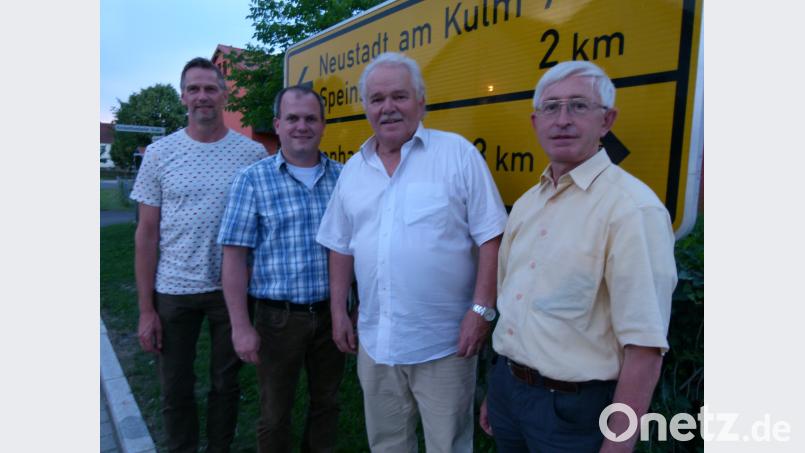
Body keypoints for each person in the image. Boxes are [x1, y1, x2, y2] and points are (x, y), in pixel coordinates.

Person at [479, 60, 678, 452]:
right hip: (508, 393)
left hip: (574, 413)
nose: (563, 120)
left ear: (607, 121)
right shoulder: (527, 203)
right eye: (551, 107)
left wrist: (618, 444)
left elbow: (645, 348)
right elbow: (515, 310)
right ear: (535, 122)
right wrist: (500, 392)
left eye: (579, 106)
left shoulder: (632, 210)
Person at [316, 52, 508, 452]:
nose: (388, 107)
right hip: (376, 341)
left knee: (448, 445)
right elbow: (340, 246)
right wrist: (338, 310)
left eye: (399, 96)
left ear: (421, 102)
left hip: (445, 343)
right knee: (387, 444)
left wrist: (481, 311)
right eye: (377, 98)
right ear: (366, 107)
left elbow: (491, 237)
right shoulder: (353, 171)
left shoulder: (457, 155)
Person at [130, 57, 267, 453]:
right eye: (194, 89)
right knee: (175, 387)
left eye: (210, 88)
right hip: (173, 290)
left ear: (224, 95)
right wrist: (146, 310)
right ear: (183, 97)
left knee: (226, 384)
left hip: (232, 292)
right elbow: (146, 234)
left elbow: (264, 227)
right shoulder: (160, 154)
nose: (202, 96)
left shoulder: (252, 154)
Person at [217, 86, 345, 453]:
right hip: (277, 320)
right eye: (292, 118)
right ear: (277, 125)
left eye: (310, 118)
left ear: (323, 125)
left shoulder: (345, 178)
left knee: (327, 404)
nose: (301, 126)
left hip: (331, 315)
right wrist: (241, 326)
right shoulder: (252, 179)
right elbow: (234, 257)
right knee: (274, 414)